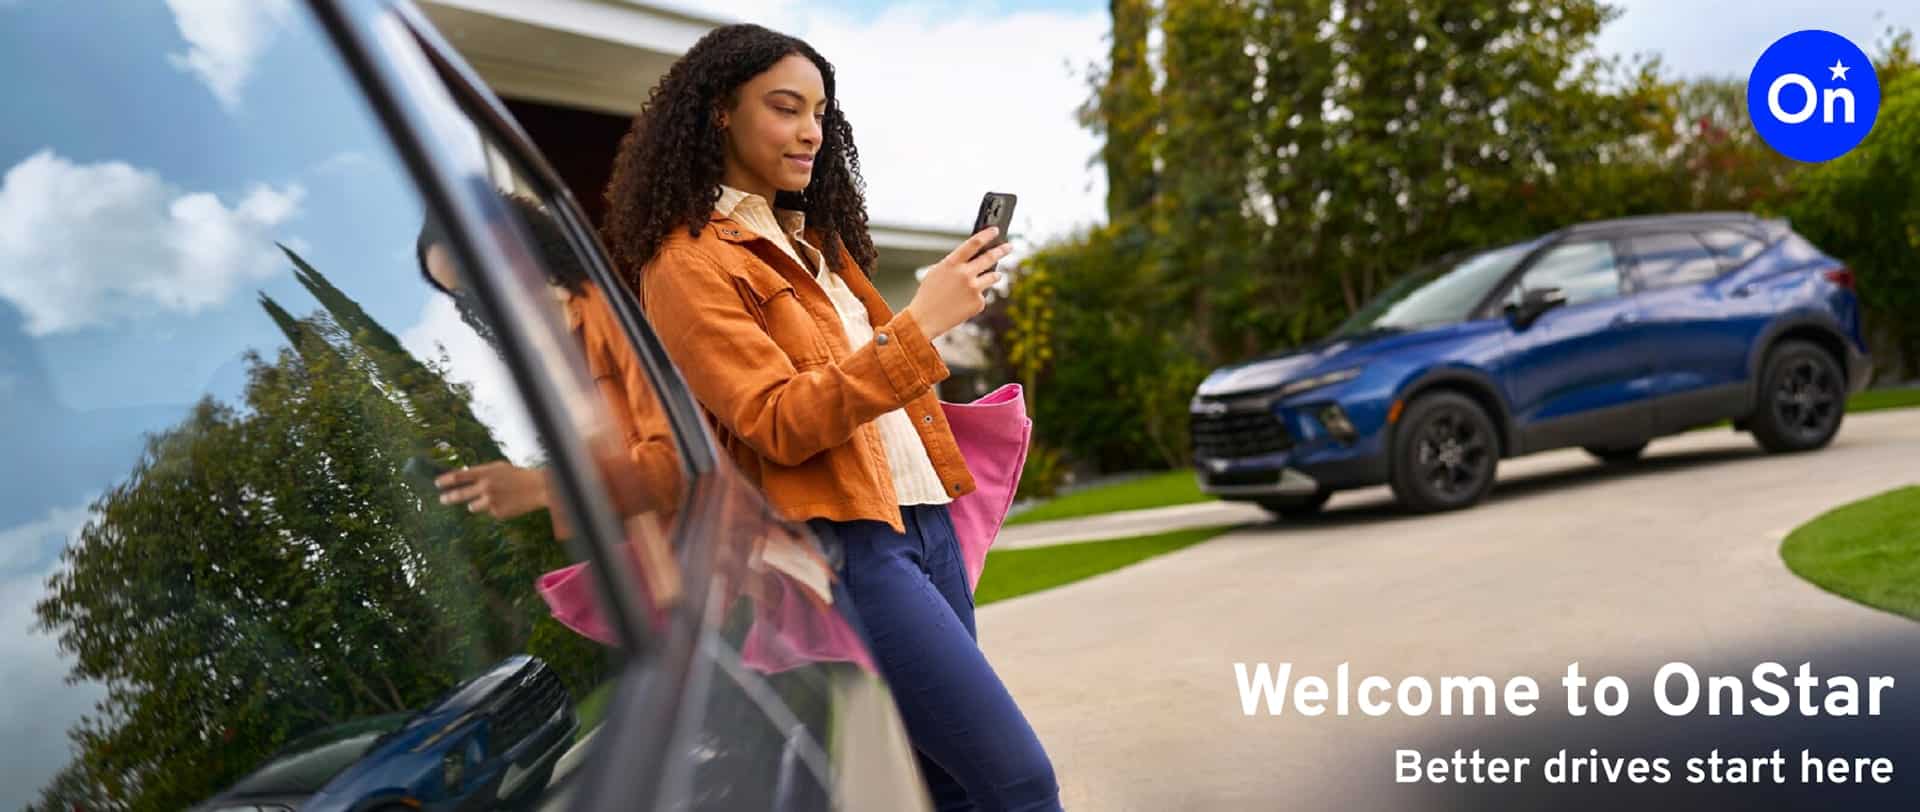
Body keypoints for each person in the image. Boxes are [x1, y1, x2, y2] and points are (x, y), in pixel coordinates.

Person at [601, 23, 1058, 811]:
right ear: (720, 113)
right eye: (786, 108)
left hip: (926, 531)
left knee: (951, 782)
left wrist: (922, 320)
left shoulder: (819, 245)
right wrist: (921, 323)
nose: (811, 130)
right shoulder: (686, 263)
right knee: (1018, 782)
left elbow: (880, 390)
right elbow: (775, 420)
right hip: (847, 548)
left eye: (821, 111)